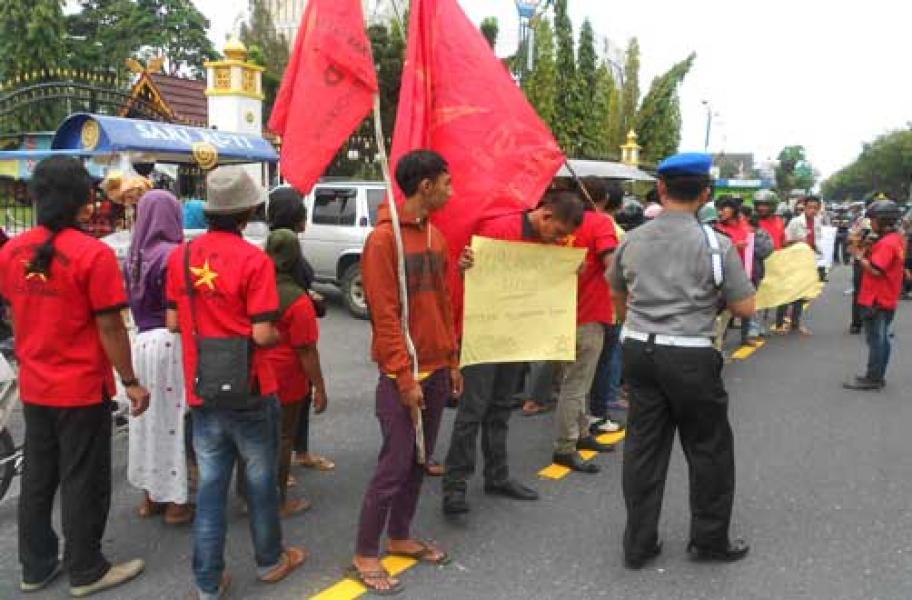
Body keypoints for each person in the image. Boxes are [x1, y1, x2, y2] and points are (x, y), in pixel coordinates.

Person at [0, 156, 150, 596]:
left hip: (36, 384)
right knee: (84, 479)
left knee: (39, 480)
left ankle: (36, 565)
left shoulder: (12, 251)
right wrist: (131, 380)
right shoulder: (92, 254)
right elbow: (109, 326)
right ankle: (86, 569)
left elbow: (14, 307)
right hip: (81, 387)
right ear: (82, 199)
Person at [609, 152, 755, 569]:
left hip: (638, 349)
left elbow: (617, 295)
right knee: (708, 447)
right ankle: (708, 540)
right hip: (690, 354)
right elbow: (746, 308)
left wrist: (634, 320)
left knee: (642, 447)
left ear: (661, 189)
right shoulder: (716, 244)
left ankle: (637, 544)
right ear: (705, 194)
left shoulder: (631, 239)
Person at [166, 166, 306, 598]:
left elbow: (173, 321)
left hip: (203, 388)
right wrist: (277, 332)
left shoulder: (182, 257)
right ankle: (269, 561)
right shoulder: (254, 261)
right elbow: (263, 334)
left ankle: (208, 583)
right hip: (251, 389)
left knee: (210, 487)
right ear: (247, 213)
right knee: (260, 482)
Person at [350, 150, 461, 594]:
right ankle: (364, 551)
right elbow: (386, 315)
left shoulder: (438, 235)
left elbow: (445, 304)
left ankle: (400, 535)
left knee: (420, 460)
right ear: (426, 187)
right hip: (405, 375)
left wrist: (452, 360)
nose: (453, 191)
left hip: (437, 369)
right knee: (394, 464)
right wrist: (403, 375)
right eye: (447, 183)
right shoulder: (382, 240)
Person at [442, 190, 585, 515]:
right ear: (545, 215)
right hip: (483, 331)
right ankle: (455, 486)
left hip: (516, 334)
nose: (560, 240)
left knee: (502, 407)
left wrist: (568, 271)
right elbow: (466, 273)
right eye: (559, 232)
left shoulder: (552, 243)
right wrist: (465, 265)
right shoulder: (498, 229)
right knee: (472, 411)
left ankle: (497, 475)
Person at [125, 190, 193, 526]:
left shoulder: (134, 254)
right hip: (170, 343)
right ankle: (176, 504)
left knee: (147, 423)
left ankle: (150, 497)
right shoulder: (173, 255)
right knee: (173, 423)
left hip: (141, 344)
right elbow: (177, 314)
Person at [551, 178, 620, 475]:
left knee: (573, 380)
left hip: (557, 313)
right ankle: (566, 447)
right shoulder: (601, 222)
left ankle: (581, 434)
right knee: (577, 384)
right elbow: (612, 265)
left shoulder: (559, 222)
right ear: (602, 198)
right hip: (589, 314)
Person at [265, 187, 332, 472]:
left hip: (293, 330)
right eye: (303, 213)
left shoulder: (284, 248)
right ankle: (281, 471)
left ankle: (297, 454)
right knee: (281, 416)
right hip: (287, 344)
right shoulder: (281, 250)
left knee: (295, 405)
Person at [264, 229, 328, 515]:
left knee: (256, 438)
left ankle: (247, 494)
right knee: (282, 438)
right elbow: (306, 351)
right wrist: (320, 388)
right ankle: (277, 501)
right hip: (286, 379)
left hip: (254, 374)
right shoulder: (298, 300)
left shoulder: (255, 287)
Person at [843, 199, 906, 390]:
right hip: (886, 296)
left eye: (873, 220)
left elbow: (877, 270)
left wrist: (859, 255)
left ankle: (873, 377)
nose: (871, 224)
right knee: (883, 338)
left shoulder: (887, 243)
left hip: (876, 298)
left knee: (876, 340)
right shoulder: (896, 239)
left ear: (884, 220)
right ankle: (877, 375)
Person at [589, 179, 628, 425]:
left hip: (575, 305)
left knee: (580, 374)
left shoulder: (572, 223)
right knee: (603, 363)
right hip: (604, 305)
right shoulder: (605, 225)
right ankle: (597, 415)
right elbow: (614, 269)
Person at [778, 195, 824, 334]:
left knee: (801, 293)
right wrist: (799, 242)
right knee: (788, 293)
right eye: (810, 207)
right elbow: (784, 242)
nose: (812, 210)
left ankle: (795, 324)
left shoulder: (817, 222)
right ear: (804, 207)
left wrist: (816, 249)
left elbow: (817, 240)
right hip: (793, 261)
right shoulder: (795, 222)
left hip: (808, 261)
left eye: (815, 208)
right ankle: (780, 323)